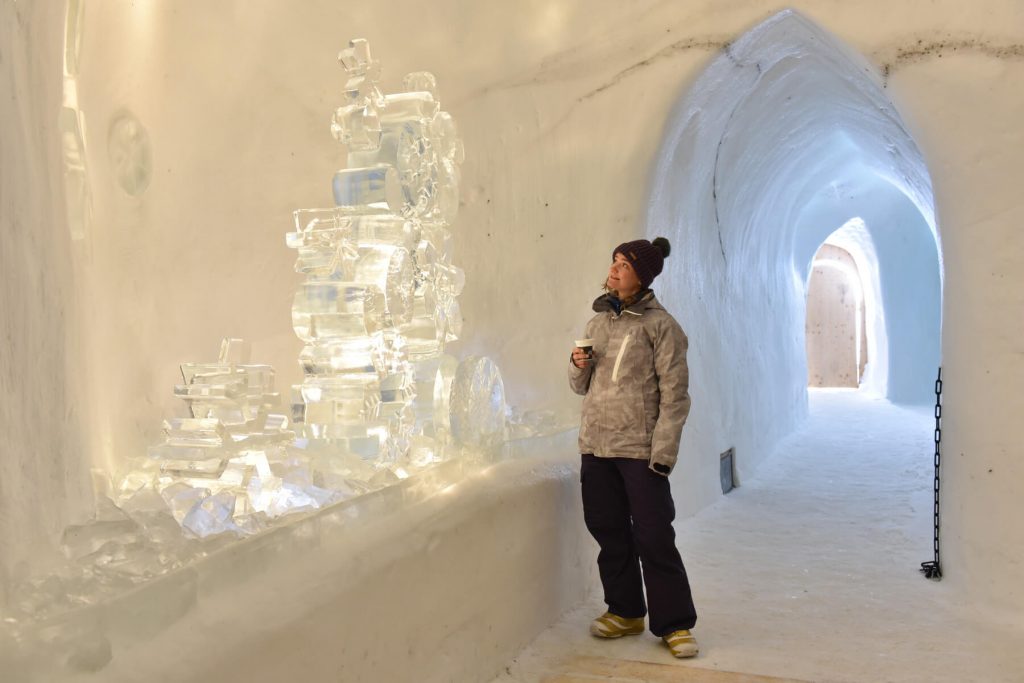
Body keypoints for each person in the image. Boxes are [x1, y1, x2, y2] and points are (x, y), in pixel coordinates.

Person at [568, 236, 698, 659]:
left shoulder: (662, 327)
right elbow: (578, 387)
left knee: (655, 535)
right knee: (609, 532)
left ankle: (675, 624)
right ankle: (625, 612)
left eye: (624, 264)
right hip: (597, 446)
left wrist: (663, 453)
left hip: (640, 450)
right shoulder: (597, 324)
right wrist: (577, 366)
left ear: (642, 275)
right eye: (614, 261)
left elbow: (675, 396)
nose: (614, 269)